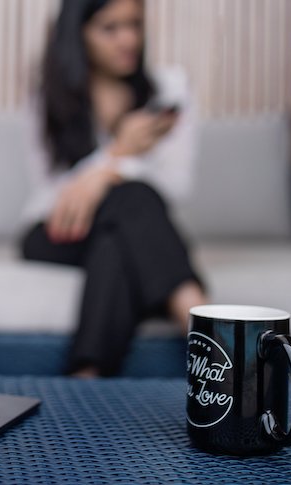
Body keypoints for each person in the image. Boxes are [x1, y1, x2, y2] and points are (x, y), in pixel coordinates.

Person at [19, 0, 207, 378]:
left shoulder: (168, 90)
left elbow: (174, 187)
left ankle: (87, 374)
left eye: (134, 25)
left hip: (128, 226)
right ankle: (206, 331)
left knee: (117, 236)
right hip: (56, 229)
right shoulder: (50, 98)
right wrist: (117, 154)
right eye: (110, 28)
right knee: (129, 198)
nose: (128, 39)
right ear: (79, 34)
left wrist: (103, 175)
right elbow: (53, 196)